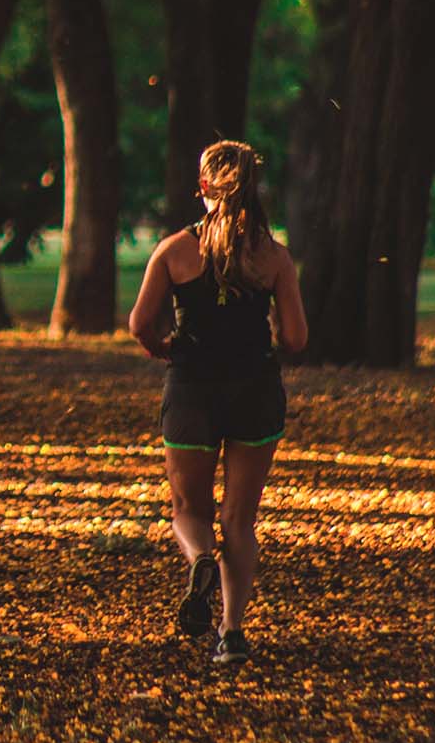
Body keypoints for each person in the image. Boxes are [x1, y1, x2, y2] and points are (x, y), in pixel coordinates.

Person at [127, 140, 307, 665]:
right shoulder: (274, 257)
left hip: (191, 388)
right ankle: (231, 633)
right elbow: (295, 338)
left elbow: (140, 323)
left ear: (204, 187)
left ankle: (200, 558)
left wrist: (162, 347)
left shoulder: (175, 250)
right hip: (254, 389)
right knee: (239, 520)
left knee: (189, 509)